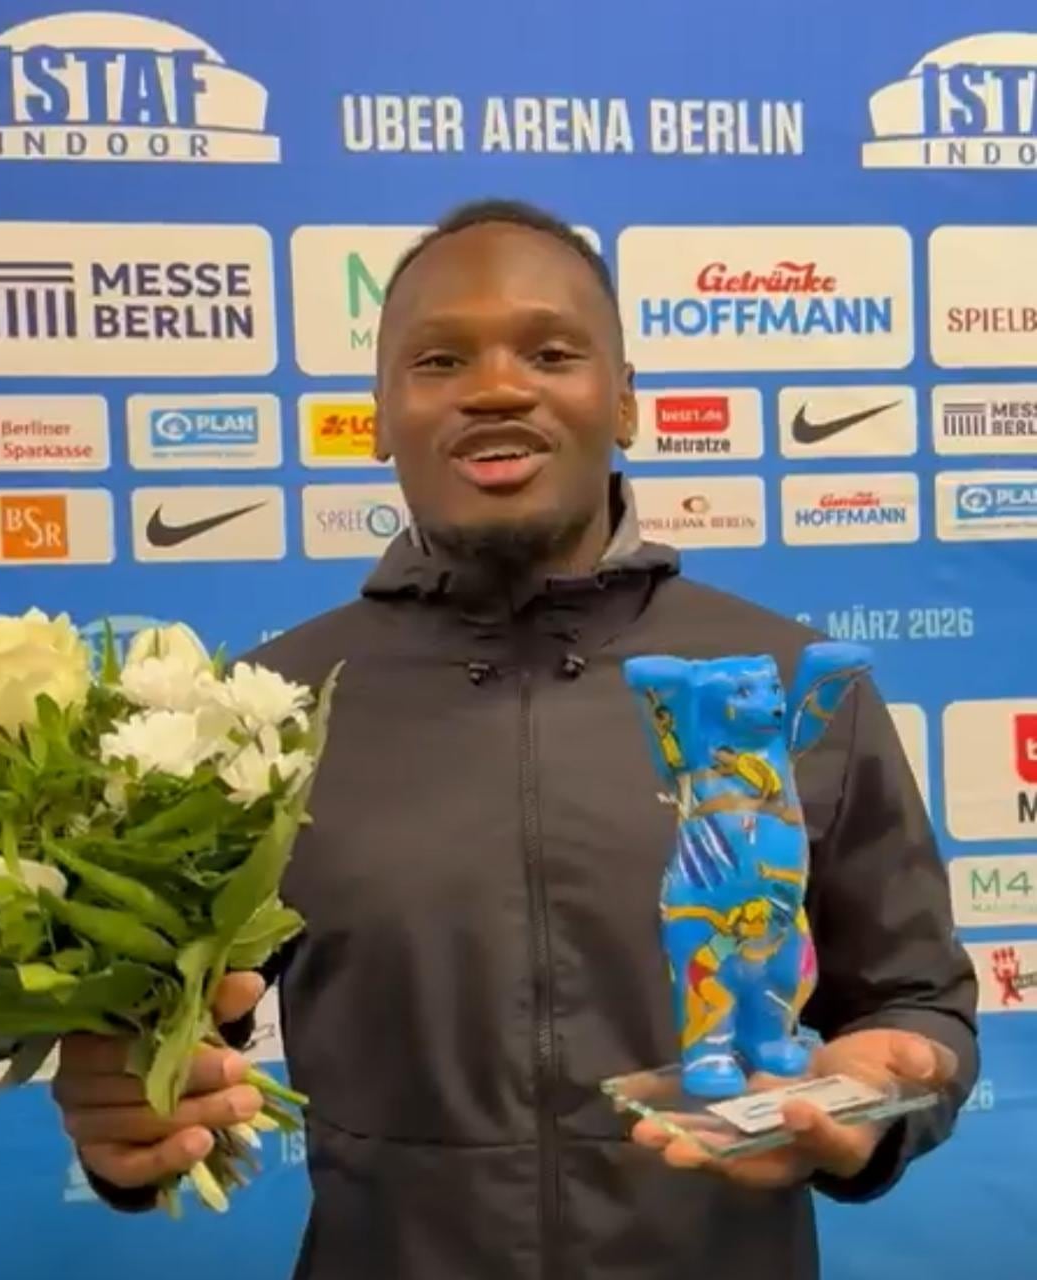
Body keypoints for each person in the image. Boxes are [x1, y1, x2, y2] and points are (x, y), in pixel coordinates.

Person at [50, 199, 979, 1278]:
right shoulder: (261, 716)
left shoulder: (785, 684)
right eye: (439, 360)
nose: (495, 387)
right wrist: (131, 1122)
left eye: (550, 352)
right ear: (380, 415)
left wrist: (883, 1094)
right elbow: (164, 1058)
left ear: (625, 399)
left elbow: (916, 1004)